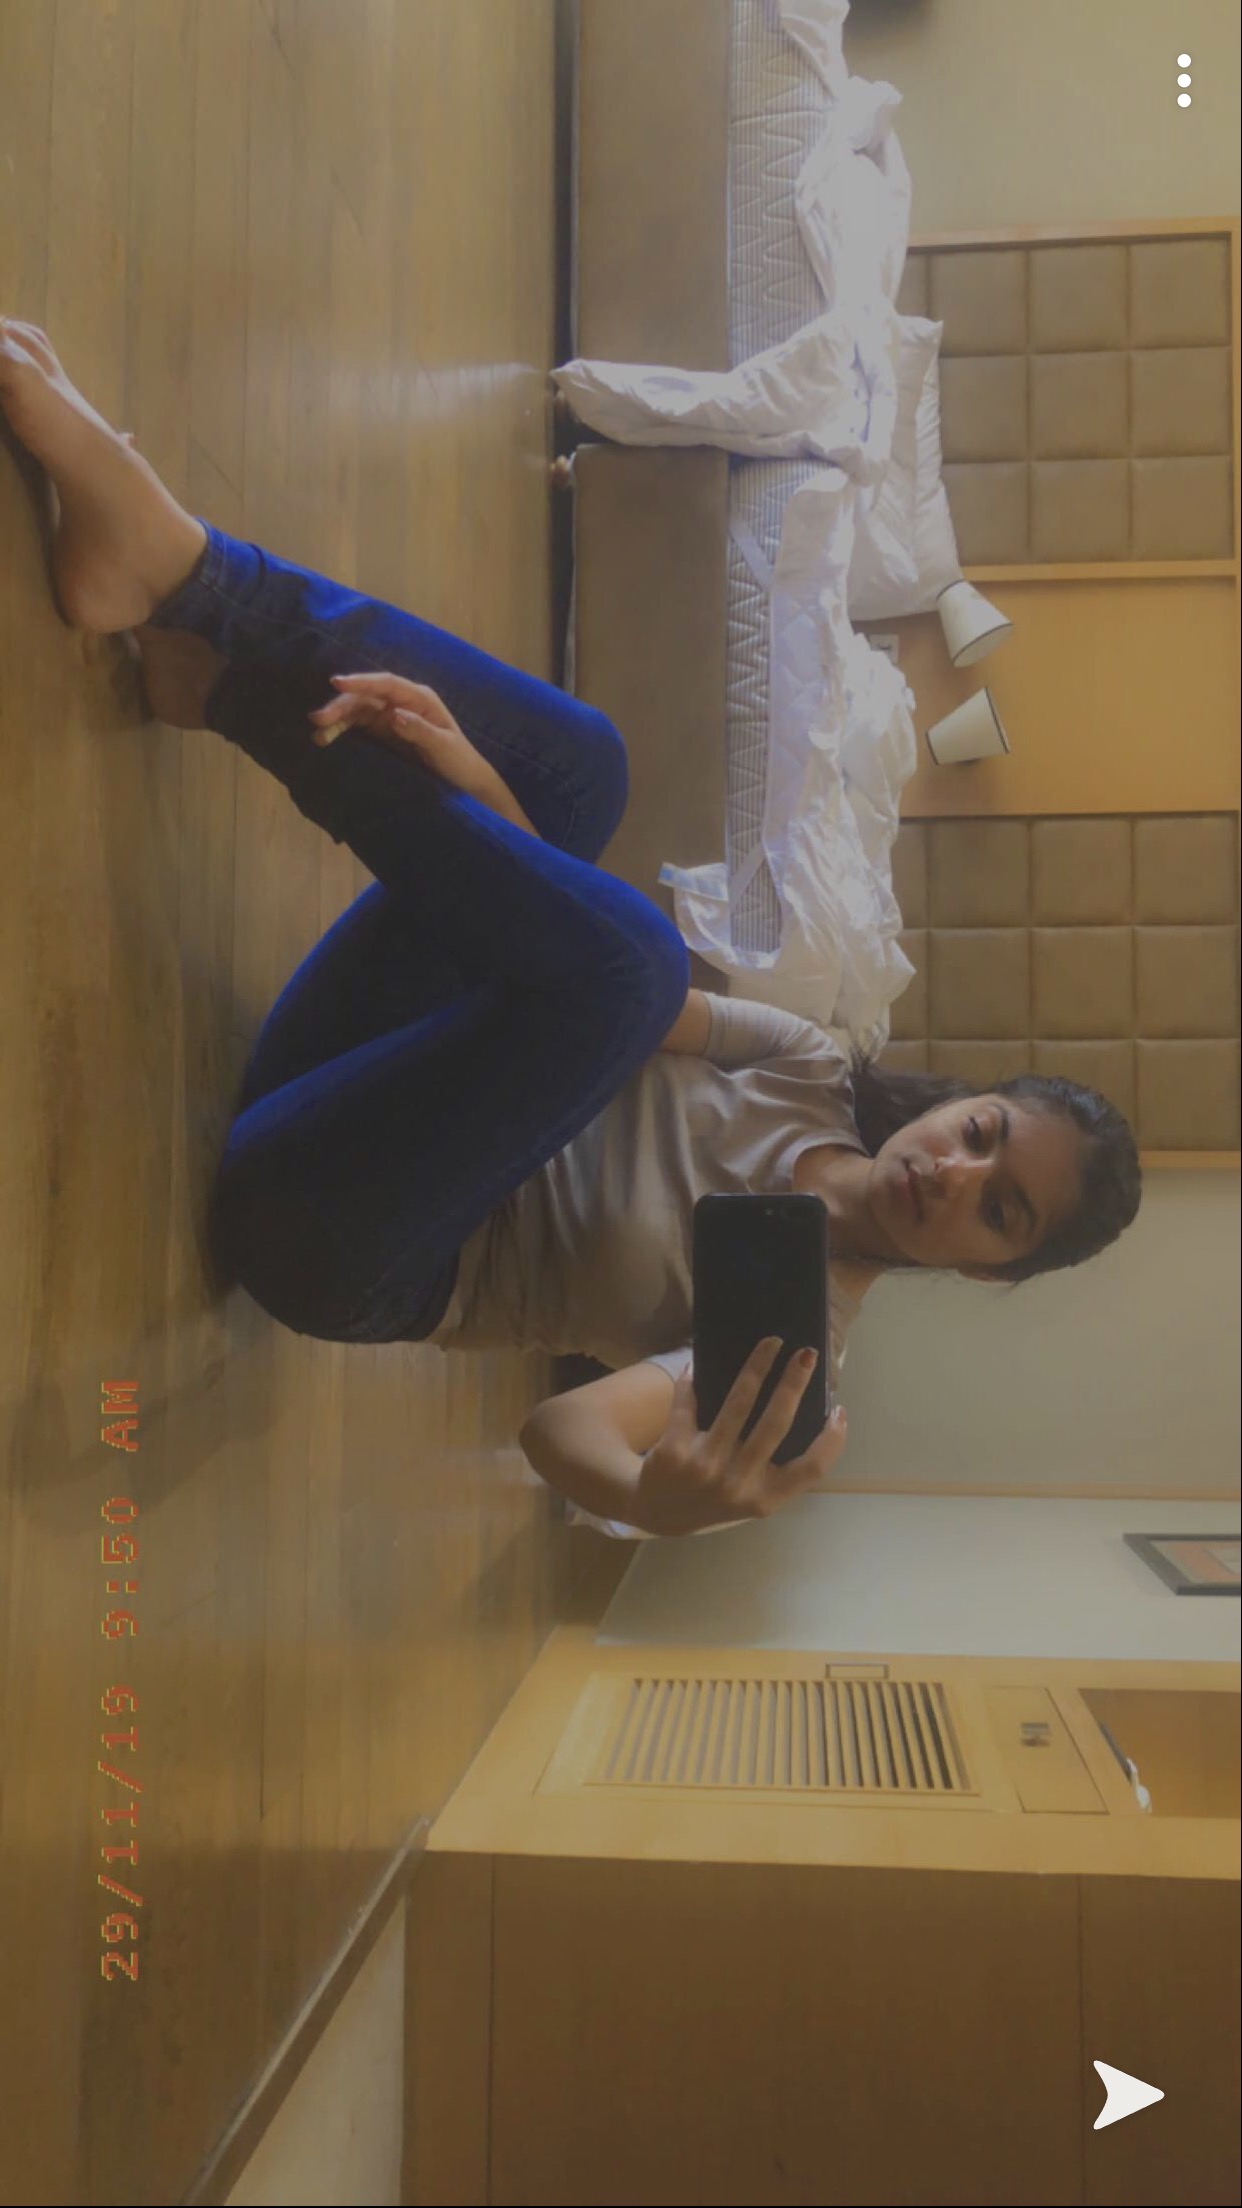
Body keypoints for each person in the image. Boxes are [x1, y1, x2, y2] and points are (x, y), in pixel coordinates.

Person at [1, 318, 1142, 1541]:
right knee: (580, 774)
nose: (956, 1174)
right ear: (960, 1103)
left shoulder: (792, 1345)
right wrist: (471, 776)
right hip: (349, 1072)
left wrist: (658, 1499)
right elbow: (556, 949)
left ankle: (202, 609)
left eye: (1001, 1208)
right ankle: (198, 622)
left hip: (335, 1232)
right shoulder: (809, 1068)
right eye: (981, 1134)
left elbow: (563, 1433)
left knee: (636, 964)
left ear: (987, 1270)